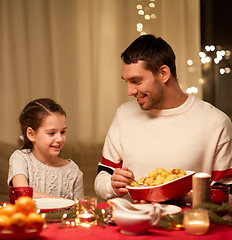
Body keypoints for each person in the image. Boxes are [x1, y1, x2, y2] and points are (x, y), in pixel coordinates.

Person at [94, 34, 232, 200]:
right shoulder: (123, 115)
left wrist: (182, 195)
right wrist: (113, 186)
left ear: (163, 73)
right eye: (127, 82)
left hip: (188, 223)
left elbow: (226, 193)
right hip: (134, 222)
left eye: (136, 81)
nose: (129, 91)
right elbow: (103, 177)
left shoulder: (216, 122)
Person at [7, 98, 84, 200]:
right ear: (31, 134)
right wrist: (65, 202)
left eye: (63, 132)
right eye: (51, 133)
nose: (59, 139)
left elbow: (80, 209)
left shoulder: (73, 170)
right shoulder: (20, 159)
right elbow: (23, 194)